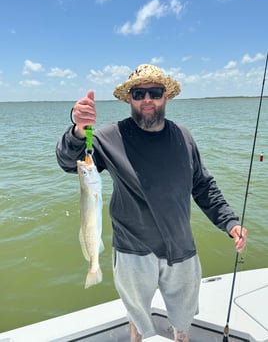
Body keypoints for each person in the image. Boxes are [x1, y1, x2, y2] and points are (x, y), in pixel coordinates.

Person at [56, 64, 247, 342]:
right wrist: (77, 131)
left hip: (182, 250)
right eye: (139, 93)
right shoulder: (108, 137)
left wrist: (230, 222)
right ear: (129, 98)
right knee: (137, 322)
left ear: (165, 96)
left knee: (183, 324)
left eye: (155, 92)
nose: (147, 99)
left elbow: (203, 185)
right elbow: (68, 162)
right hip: (132, 251)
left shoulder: (183, 136)